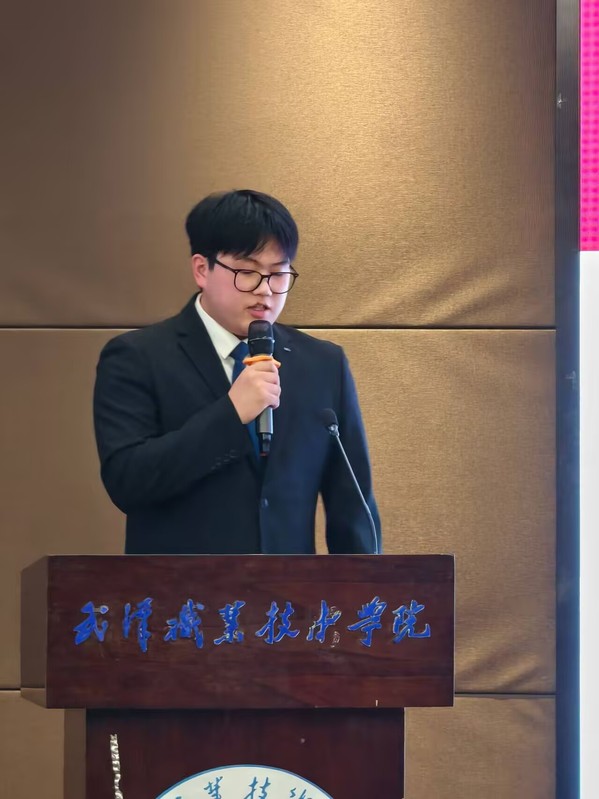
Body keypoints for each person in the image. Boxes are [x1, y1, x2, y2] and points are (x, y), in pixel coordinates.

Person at [93, 189, 381, 554]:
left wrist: (363, 586)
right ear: (202, 269)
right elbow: (127, 482)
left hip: (290, 590)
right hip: (180, 589)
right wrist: (230, 414)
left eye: (278, 274)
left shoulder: (323, 365)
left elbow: (353, 509)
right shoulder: (137, 357)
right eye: (247, 272)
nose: (265, 291)